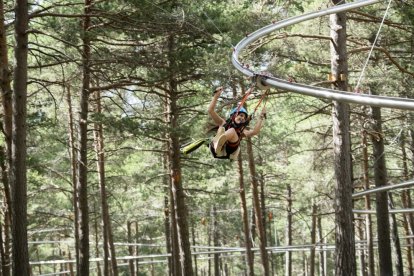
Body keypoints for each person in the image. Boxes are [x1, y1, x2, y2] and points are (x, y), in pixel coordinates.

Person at [208, 86, 267, 160]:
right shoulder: (223, 122)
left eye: (244, 118)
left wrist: (261, 117)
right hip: (215, 149)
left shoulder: (242, 131)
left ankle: (219, 143)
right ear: (234, 116)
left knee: (232, 131)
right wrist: (216, 96)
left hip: (228, 151)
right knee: (221, 129)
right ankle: (218, 144)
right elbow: (210, 111)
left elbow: (255, 132)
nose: (242, 118)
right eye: (241, 115)